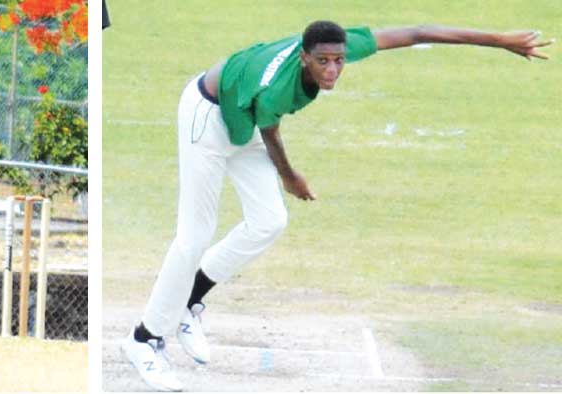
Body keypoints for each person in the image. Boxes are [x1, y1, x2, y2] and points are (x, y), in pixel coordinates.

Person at [121, 21, 552, 391]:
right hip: (208, 116)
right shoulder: (277, 86)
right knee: (194, 235)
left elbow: (418, 31)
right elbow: (271, 135)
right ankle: (143, 340)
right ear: (304, 57)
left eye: (339, 61)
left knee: (268, 222)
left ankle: (189, 302)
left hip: (242, 112)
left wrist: (501, 41)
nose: (333, 70)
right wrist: (291, 177)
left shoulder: (337, 45)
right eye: (323, 62)